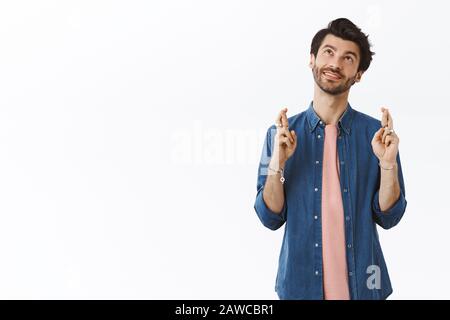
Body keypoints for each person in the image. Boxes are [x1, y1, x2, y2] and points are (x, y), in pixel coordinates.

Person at [253, 18, 407, 300]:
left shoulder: (376, 135)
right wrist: (278, 163)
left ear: (358, 73)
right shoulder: (278, 135)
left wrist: (387, 164)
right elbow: (269, 216)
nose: (335, 63)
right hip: (300, 290)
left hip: (365, 288)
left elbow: (390, 216)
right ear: (311, 60)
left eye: (348, 58)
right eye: (328, 52)